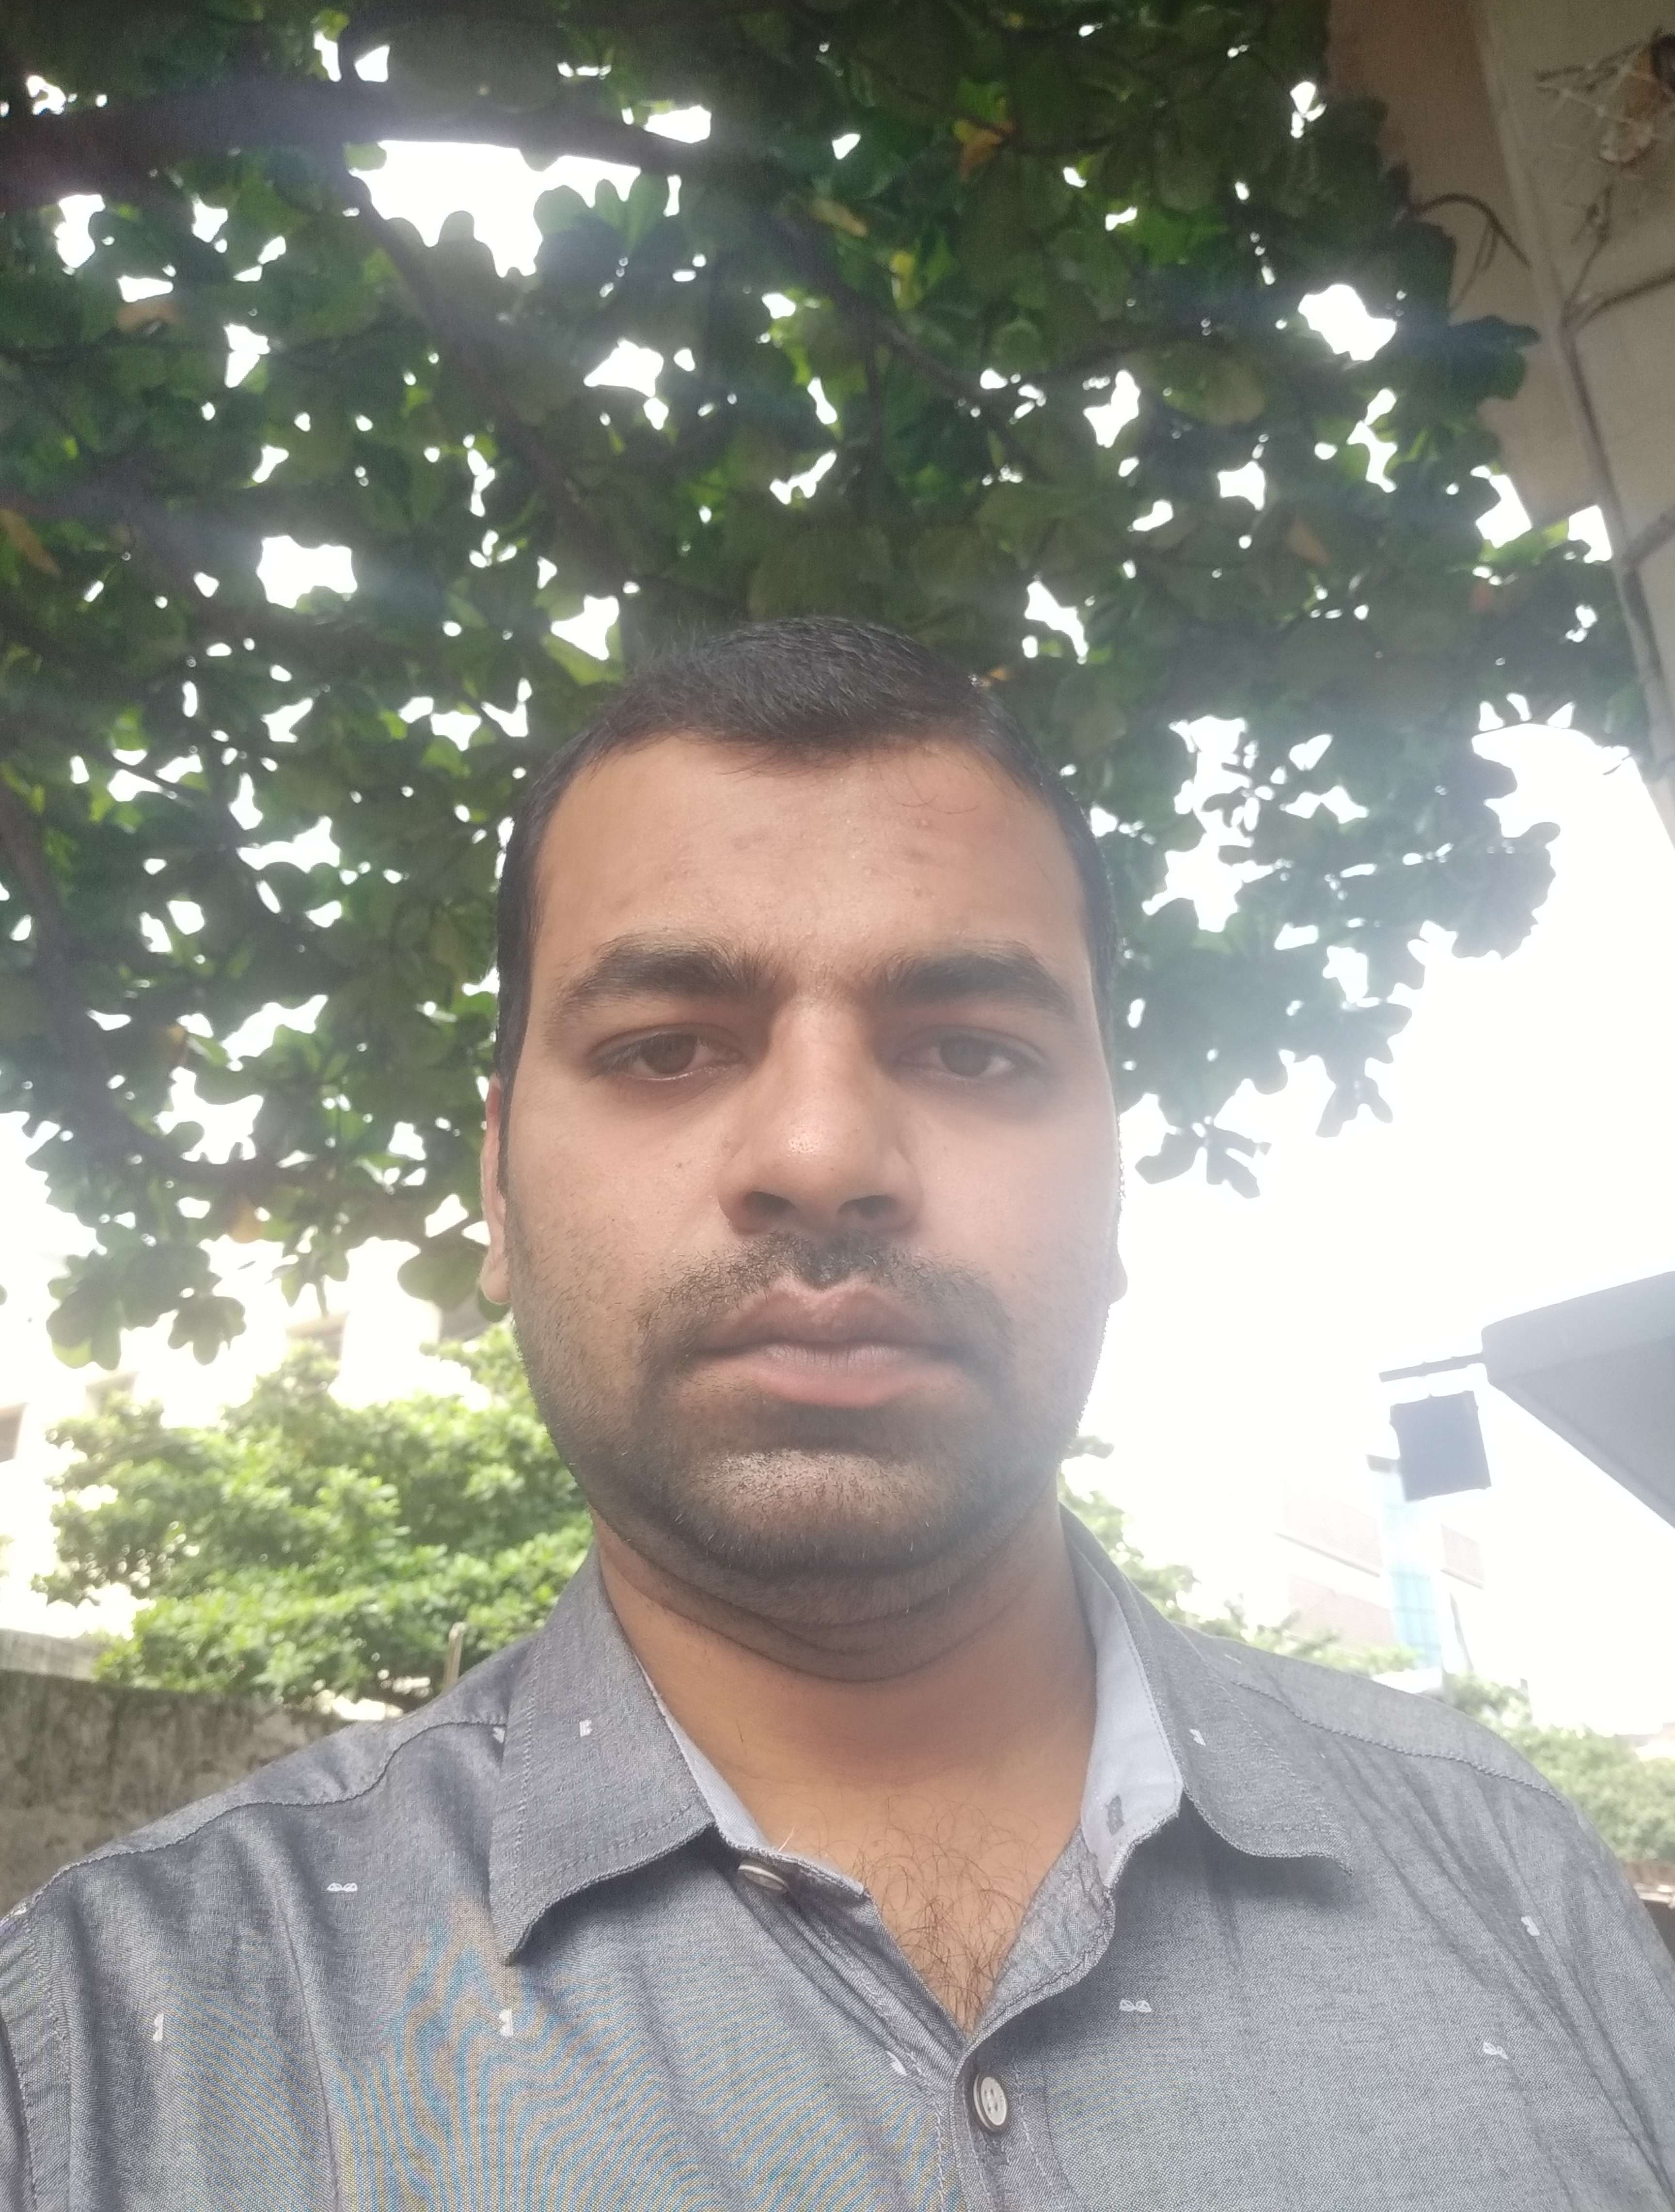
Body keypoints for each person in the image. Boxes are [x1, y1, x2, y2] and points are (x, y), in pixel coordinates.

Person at [3, 618, 1673, 2211]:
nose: (821, 1155)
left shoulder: (1517, 1876)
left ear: (1114, 1182)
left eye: (972, 1051)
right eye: (666, 1048)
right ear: (498, 1190)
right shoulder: (99, 2045)